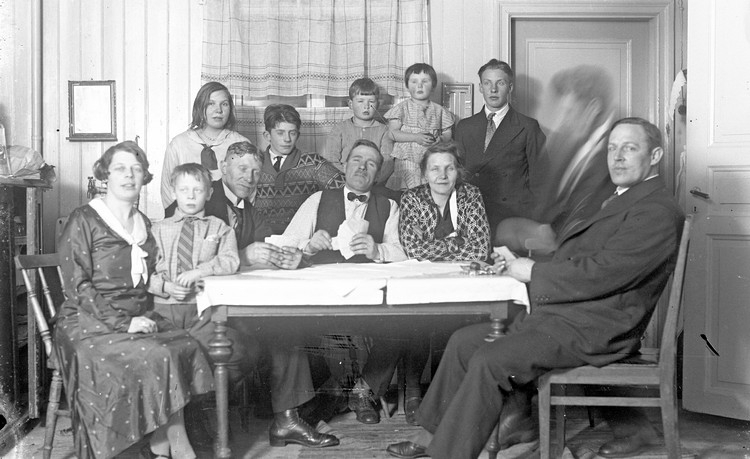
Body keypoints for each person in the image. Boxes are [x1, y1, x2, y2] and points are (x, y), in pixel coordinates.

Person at [386, 117, 684, 459]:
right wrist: (520, 261)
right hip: (567, 316)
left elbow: (605, 273)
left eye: (629, 149)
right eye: (612, 148)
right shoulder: (622, 199)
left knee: (489, 360)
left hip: (596, 327)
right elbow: (580, 259)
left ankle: (449, 453)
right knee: (463, 342)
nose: (616, 157)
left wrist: (534, 272)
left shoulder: (655, 211)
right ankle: (430, 437)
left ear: (656, 155)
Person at [165, 141, 338, 449]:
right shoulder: (196, 199)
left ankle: (286, 420)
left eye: (256, 171)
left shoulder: (249, 210)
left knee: (287, 327)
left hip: (232, 309)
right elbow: (182, 261)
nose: (250, 177)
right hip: (195, 312)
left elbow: (268, 246)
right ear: (224, 168)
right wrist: (243, 257)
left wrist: (293, 258)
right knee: (248, 347)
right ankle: (194, 417)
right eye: (242, 168)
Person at [54, 141, 214, 459]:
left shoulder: (143, 223)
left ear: (144, 177)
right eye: (120, 168)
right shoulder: (84, 218)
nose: (129, 175)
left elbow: (147, 276)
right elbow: (77, 286)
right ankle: (167, 446)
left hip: (138, 315)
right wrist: (124, 322)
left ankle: (164, 441)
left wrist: (168, 287)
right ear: (105, 176)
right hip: (87, 320)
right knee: (156, 353)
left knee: (184, 345)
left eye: (136, 169)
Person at [454, 59, 546, 236]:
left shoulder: (528, 126)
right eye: (487, 83)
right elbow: (457, 175)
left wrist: (534, 222)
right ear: (480, 87)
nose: (493, 89)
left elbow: (540, 180)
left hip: (512, 218)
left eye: (500, 83)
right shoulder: (465, 126)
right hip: (473, 215)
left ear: (510, 87)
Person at [281, 138, 406, 264]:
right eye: (356, 160)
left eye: (371, 164)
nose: (362, 167)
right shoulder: (317, 199)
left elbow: (402, 253)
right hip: (324, 275)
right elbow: (284, 244)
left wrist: (377, 251)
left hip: (367, 276)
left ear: (378, 175)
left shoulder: (389, 206)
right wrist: (309, 246)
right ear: (345, 167)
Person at [150, 163, 239, 329]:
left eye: (198, 190)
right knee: (166, 342)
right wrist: (164, 286)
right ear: (173, 192)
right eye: (183, 190)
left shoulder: (219, 227)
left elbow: (231, 260)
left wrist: (199, 271)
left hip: (204, 305)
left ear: (209, 193)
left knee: (208, 342)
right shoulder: (157, 229)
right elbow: (143, 271)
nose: (190, 196)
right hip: (163, 306)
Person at [254, 104, 346, 234]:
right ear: (267, 136)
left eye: (292, 133)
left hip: (301, 236)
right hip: (261, 236)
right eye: (280, 133)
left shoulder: (313, 163)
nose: (287, 139)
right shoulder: (255, 163)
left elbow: (347, 190)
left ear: (298, 135)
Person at [161, 81, 250, 209]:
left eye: (224, 104)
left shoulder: (241, 144)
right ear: (200, 107)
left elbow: (250, 193)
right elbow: (168, 191)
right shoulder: (178, 145)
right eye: (211, 104)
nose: (218, 110)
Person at [399, 141, 490, 262]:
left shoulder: (470, 194)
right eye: (435, 169)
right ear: (425, 174)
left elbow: (481, 251)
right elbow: (413, 252)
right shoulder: (411, 198)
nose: (443, 176)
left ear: (458, 172)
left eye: (450, 169)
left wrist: (429, 248)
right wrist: (459, 241)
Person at [384, 63, 455, 191]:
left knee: (428, 189)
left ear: (433, 86)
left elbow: (447, 133)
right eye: (414, 82)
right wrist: (415, 137)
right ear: (407, 86)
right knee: (408, 189)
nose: (419, 85)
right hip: (407, 160)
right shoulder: (401, 109)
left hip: (431, 158)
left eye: (425, 81)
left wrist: (441, 139)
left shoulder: (440, 111)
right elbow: (392, 133)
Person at [322, 77, 394, 183]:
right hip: (343, 182)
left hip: (373, 182)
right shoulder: (339, 129)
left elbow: (387, 163)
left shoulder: (384, 131)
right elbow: (331, 160)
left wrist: (373, 181)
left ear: (378, 104)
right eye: (360, 101)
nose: (366, 106)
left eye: (371, 101)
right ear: (350, 104)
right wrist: (348, 180)